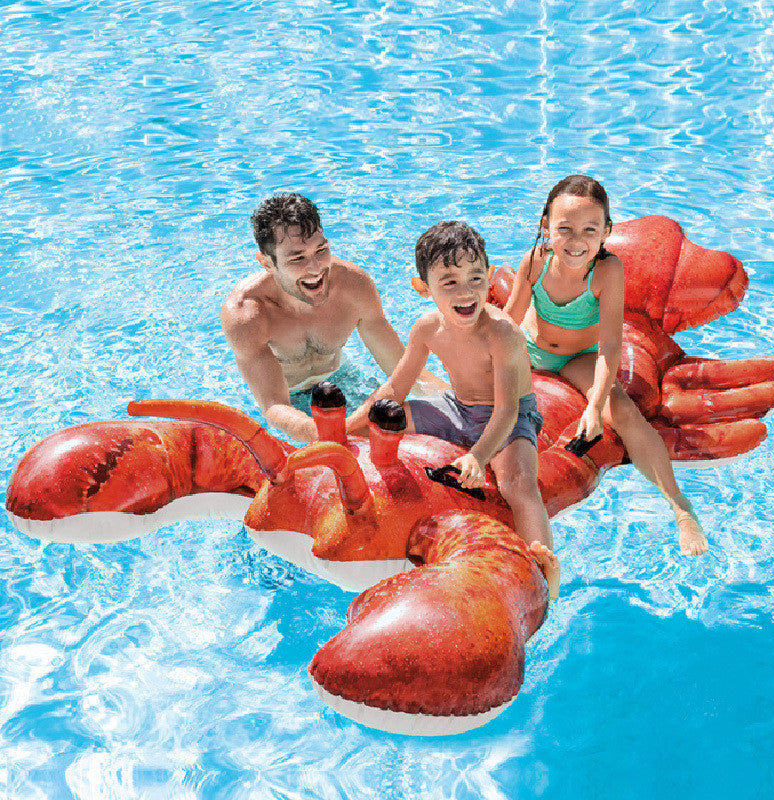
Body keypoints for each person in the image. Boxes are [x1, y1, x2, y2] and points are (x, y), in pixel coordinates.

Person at [348, 221, 560, 600]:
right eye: (449, 282)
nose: (466, 292)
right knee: (385, 420)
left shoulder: (502, 332)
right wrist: (347, 430)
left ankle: (542, 571)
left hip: (509, 416)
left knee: (519, 484)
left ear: (490, 276)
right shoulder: (426, 328)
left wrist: (479, 457)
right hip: (456, 408)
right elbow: (395, 389)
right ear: (422, 288)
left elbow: (508, 408)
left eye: (476, 278)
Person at [504, 174, 708, 556]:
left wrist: (596, 407)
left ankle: (681, 509)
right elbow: (509, 321)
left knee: (627, 416)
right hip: (530, 353)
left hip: (578, 358)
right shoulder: (534, 263)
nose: (576, 240)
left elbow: (611, 344)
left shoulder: (607, 272)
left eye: (589, 229)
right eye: (564, 228)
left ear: (606, 231)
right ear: (545, 226)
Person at [222, 193, 446, 442]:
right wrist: (331, 435)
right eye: (297, 258)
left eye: (321, 250)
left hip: (342, 380)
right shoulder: (247, 314)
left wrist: (455, 401)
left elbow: (401, 370)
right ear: (266, 263)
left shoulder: (353, 286)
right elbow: (274, 405)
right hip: (290, 407)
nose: (316, 269)